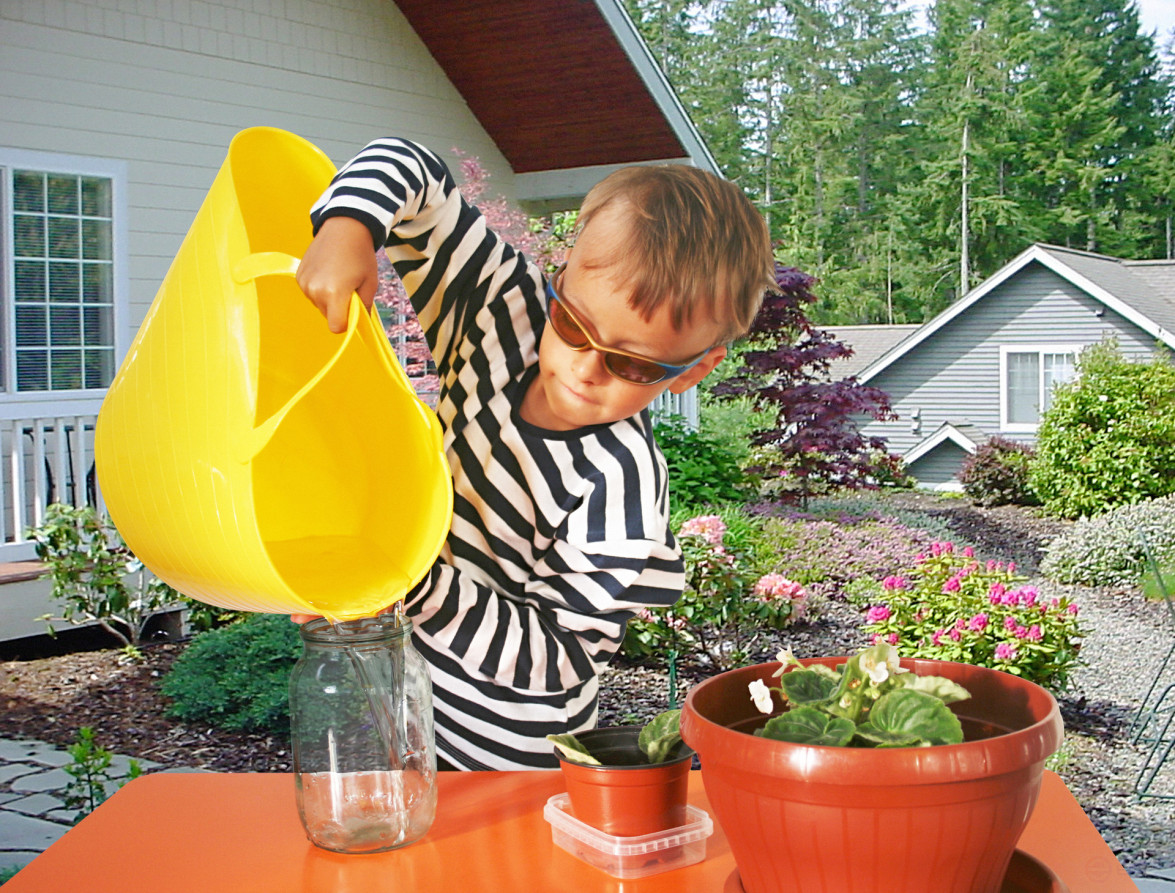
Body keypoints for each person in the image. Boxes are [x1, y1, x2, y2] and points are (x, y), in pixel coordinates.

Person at [296, 137, 775, 770]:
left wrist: (406, 581)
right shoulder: (503, 312)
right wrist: (350, 224)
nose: (585, 368)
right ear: (561, 273)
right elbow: (410, 168)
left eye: (632, 363)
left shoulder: (620, 480)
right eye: (574, 324)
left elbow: (561, 658)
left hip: (509, 755)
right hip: (407, 704)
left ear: (690, 371)